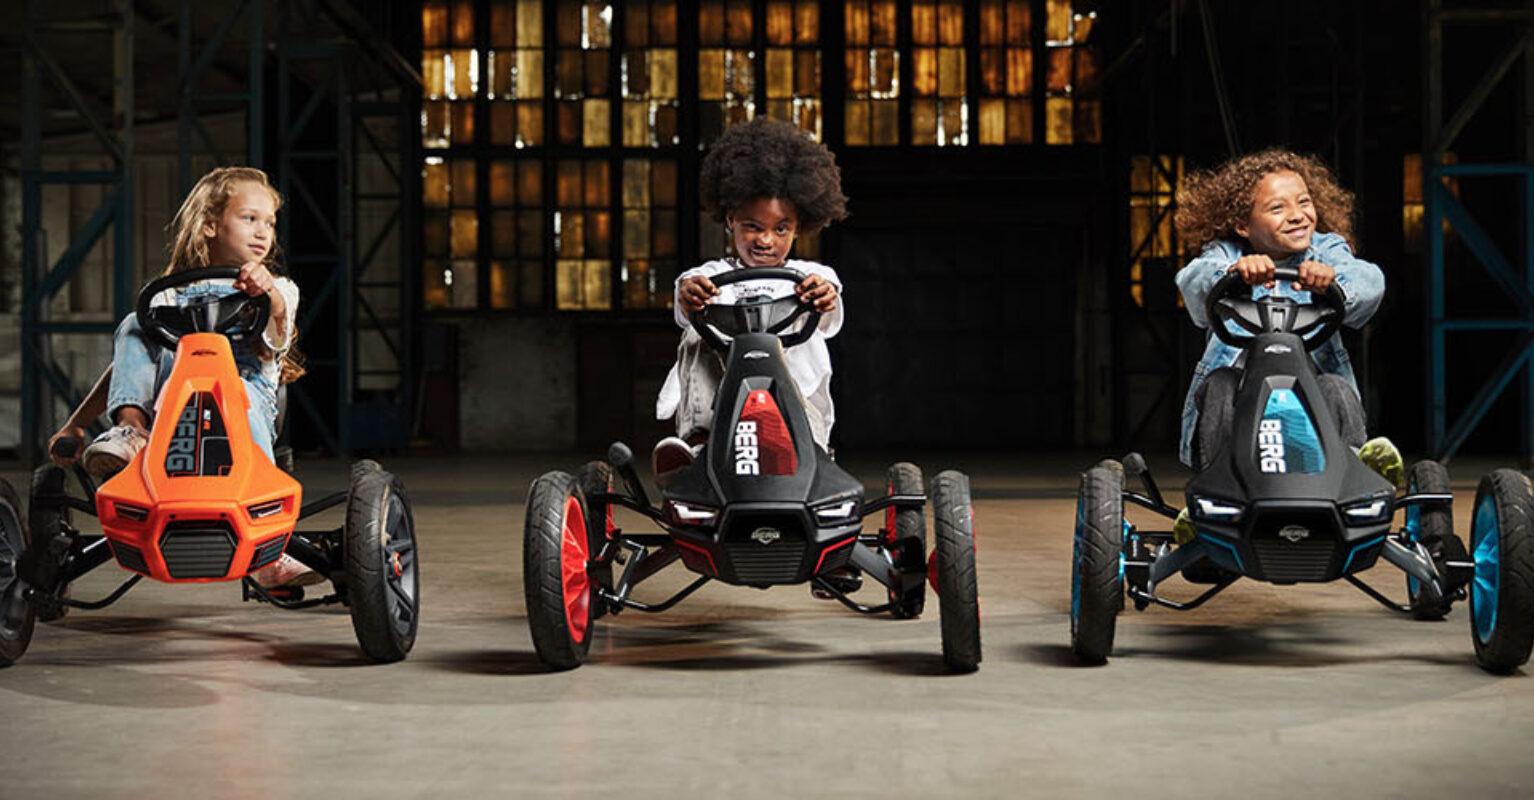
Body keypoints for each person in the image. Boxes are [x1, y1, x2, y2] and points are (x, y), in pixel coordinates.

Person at [47, 166, 315, 587]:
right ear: (210, 225)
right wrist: (76, 424)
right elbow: (127, 365)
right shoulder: (167, 295)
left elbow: (277, 331)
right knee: (137, 323)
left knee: (237, 392)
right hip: (172, 407)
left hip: (244, 403)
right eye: (249, 218)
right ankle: (130, 433)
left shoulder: (278, 288)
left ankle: (269, 552)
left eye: (270, 223)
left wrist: (269, 295)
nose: (263, 232)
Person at [1172, 149, 1402, 539]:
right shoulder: (1226, 253)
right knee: (1221, 384)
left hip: (1308, 407)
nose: (1297, 215)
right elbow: (1193, 283)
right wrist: (1234, 273)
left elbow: (1369, 282)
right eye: (1277, 208)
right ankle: (1213, 497)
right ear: (1243, 225)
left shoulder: (1326, 251)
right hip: (1244, 415)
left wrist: (1334, 282)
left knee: (1336, 387)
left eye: (1304, 202)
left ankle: (1352, 478)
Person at [653, 117, 849, 475]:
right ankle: (697, 445)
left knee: (794, 381)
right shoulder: (712, 276)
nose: (765, 240)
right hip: (724, 402)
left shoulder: (811, 277)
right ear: (731, 220)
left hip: (791, 401)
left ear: (799, 227)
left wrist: (823, 297)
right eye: (753, 227)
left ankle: (812, 451)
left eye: (780, 229)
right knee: (696, 333)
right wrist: (690, 295)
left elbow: (830, 309)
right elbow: (688, 293)